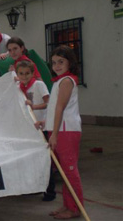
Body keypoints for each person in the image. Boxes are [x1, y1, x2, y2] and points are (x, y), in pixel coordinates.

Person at [46, 45, 83, 220]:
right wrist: (44, 123)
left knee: (69, 171)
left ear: (70, 62)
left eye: (61, 61)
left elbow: (60, 108)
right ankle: (68, 204)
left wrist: (54, 134)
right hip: (59, 129)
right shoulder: (60, 81)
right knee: (63, 171)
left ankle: (75, 207)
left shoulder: (67, 81)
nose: (57, 65)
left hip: (66, 132)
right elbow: (54, 108)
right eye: (54, 62)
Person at [16, 60, 55, 202]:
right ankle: (35, 187)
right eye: (21, 74)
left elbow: (48, 103)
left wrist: (34, 106)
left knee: (45, 159)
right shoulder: (19, 87)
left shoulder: (38, 85)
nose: (24, 76)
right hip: (29, 128)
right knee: (32, 158)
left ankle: (50, 191)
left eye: (27, 73)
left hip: (42, 127)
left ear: (33, 73)